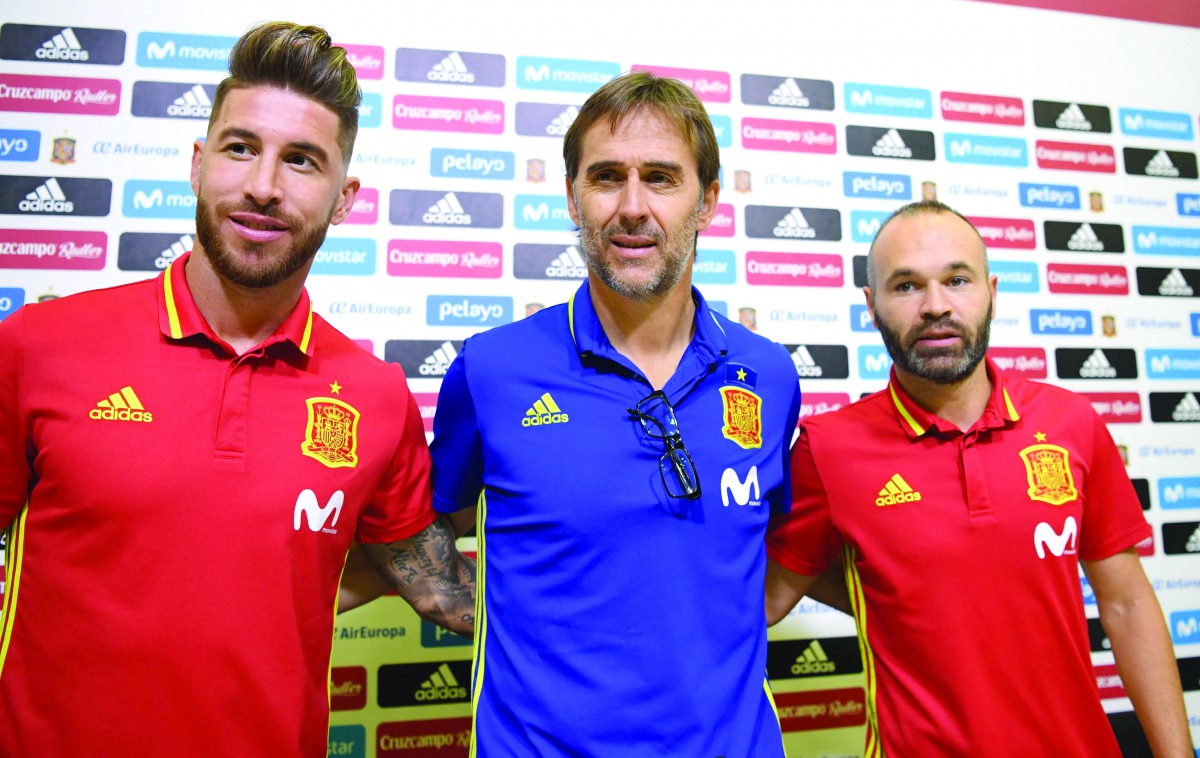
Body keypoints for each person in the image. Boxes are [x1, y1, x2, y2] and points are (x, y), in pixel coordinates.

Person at [0, 22, 474, 758]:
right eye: (240, 147)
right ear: (199, 164)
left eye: (302, 160)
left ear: (344, 198)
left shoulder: (375, 396)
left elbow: (439, 588)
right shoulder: (40, 344)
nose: (263, 186)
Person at [428, 72, 801, 756]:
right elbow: (426, 528)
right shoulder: (490, 370)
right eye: (606, 178)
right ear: (573, 197)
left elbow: (772, 550)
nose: (632, 207)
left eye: (660, 178)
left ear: (707, 201)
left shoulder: (770, 376)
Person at [765, 201, 1191, 757]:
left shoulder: (1072, 422)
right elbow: (765, 597)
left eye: (957, 280)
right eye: (906, 286)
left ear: (991, 292)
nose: (935, 305)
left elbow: (1128, 605)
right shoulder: (828, 448)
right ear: (871, 306)